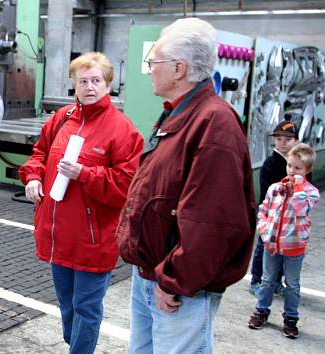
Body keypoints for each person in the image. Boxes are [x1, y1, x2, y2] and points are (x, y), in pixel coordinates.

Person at [116, 18, 256, 353]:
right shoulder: (180, 113)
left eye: (155, 62)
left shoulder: (213, 123)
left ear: (179, 68)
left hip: (177, 288)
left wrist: (174, 280)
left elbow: (212, 223)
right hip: (152, 274)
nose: (149, 69)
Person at [19, 52, 144, 353]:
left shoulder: (122, 130)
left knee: (86, 308)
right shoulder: (60, 120)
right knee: (67, 305)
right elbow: (39, 154)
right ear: (74, 85)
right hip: (58, 234)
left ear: (108, 85)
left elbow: (128, 185)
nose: (90, 86)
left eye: (96, 81)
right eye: (83, 81)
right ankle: (74, 343)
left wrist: (85, 174)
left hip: (93, 239)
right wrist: (33, 177)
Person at [248, 143, 319, 339]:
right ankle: (261, 310)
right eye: (290, 166)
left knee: (292, 284)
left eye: (297, 168)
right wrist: (263, 229)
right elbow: (264, 209)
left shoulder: (310, 193)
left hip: (294, 247)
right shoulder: (275, 188)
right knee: (267, 280)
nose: (292, 170)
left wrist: (296, 188)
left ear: (307, 170)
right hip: (272, 244)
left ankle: (290, 318)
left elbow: (300, 210)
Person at [249, 121, 307, 296]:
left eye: (287, 139)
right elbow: (268, 195)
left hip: (292, 218)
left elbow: (306, 190)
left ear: (296, 141)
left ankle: (276, 281)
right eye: (279, 139)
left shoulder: (302, 165)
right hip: (272, 216)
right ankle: (257, 280)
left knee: (285, 249)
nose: (282, 143)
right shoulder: (271, 164)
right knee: (263, 246)